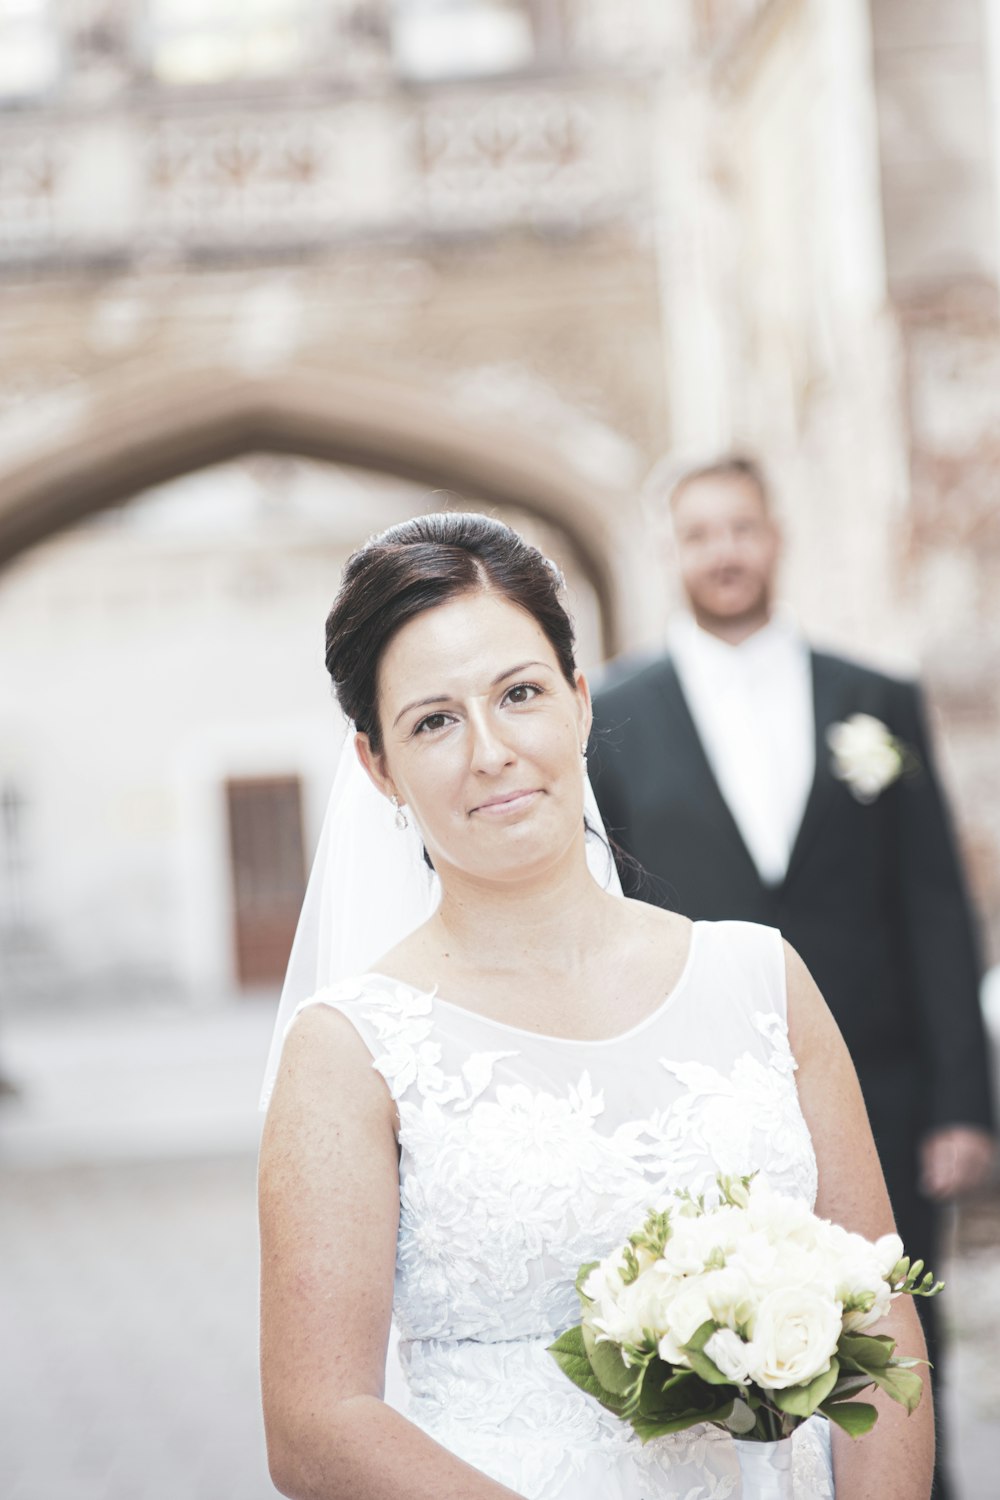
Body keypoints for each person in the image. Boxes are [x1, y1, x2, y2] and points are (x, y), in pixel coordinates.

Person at [258, 510, 933, 1499]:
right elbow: (317, 1426)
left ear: (578, 700)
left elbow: (881, 1324)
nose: (490, 751)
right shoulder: (350, 1050)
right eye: (433, 721)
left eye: (519, 694)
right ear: (378, 767)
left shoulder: (759, 979)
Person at [588, 457, 995, 1500]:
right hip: (696, 1094)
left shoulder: (875, 700)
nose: (724, 552)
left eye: (742, 529)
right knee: (720, 1342)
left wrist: (961, 1101)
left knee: (901, 1340)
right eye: (699, 534)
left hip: (883, 1087)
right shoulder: (618, 716)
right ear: (672, 552)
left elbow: (935, 904)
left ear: (775, 538)